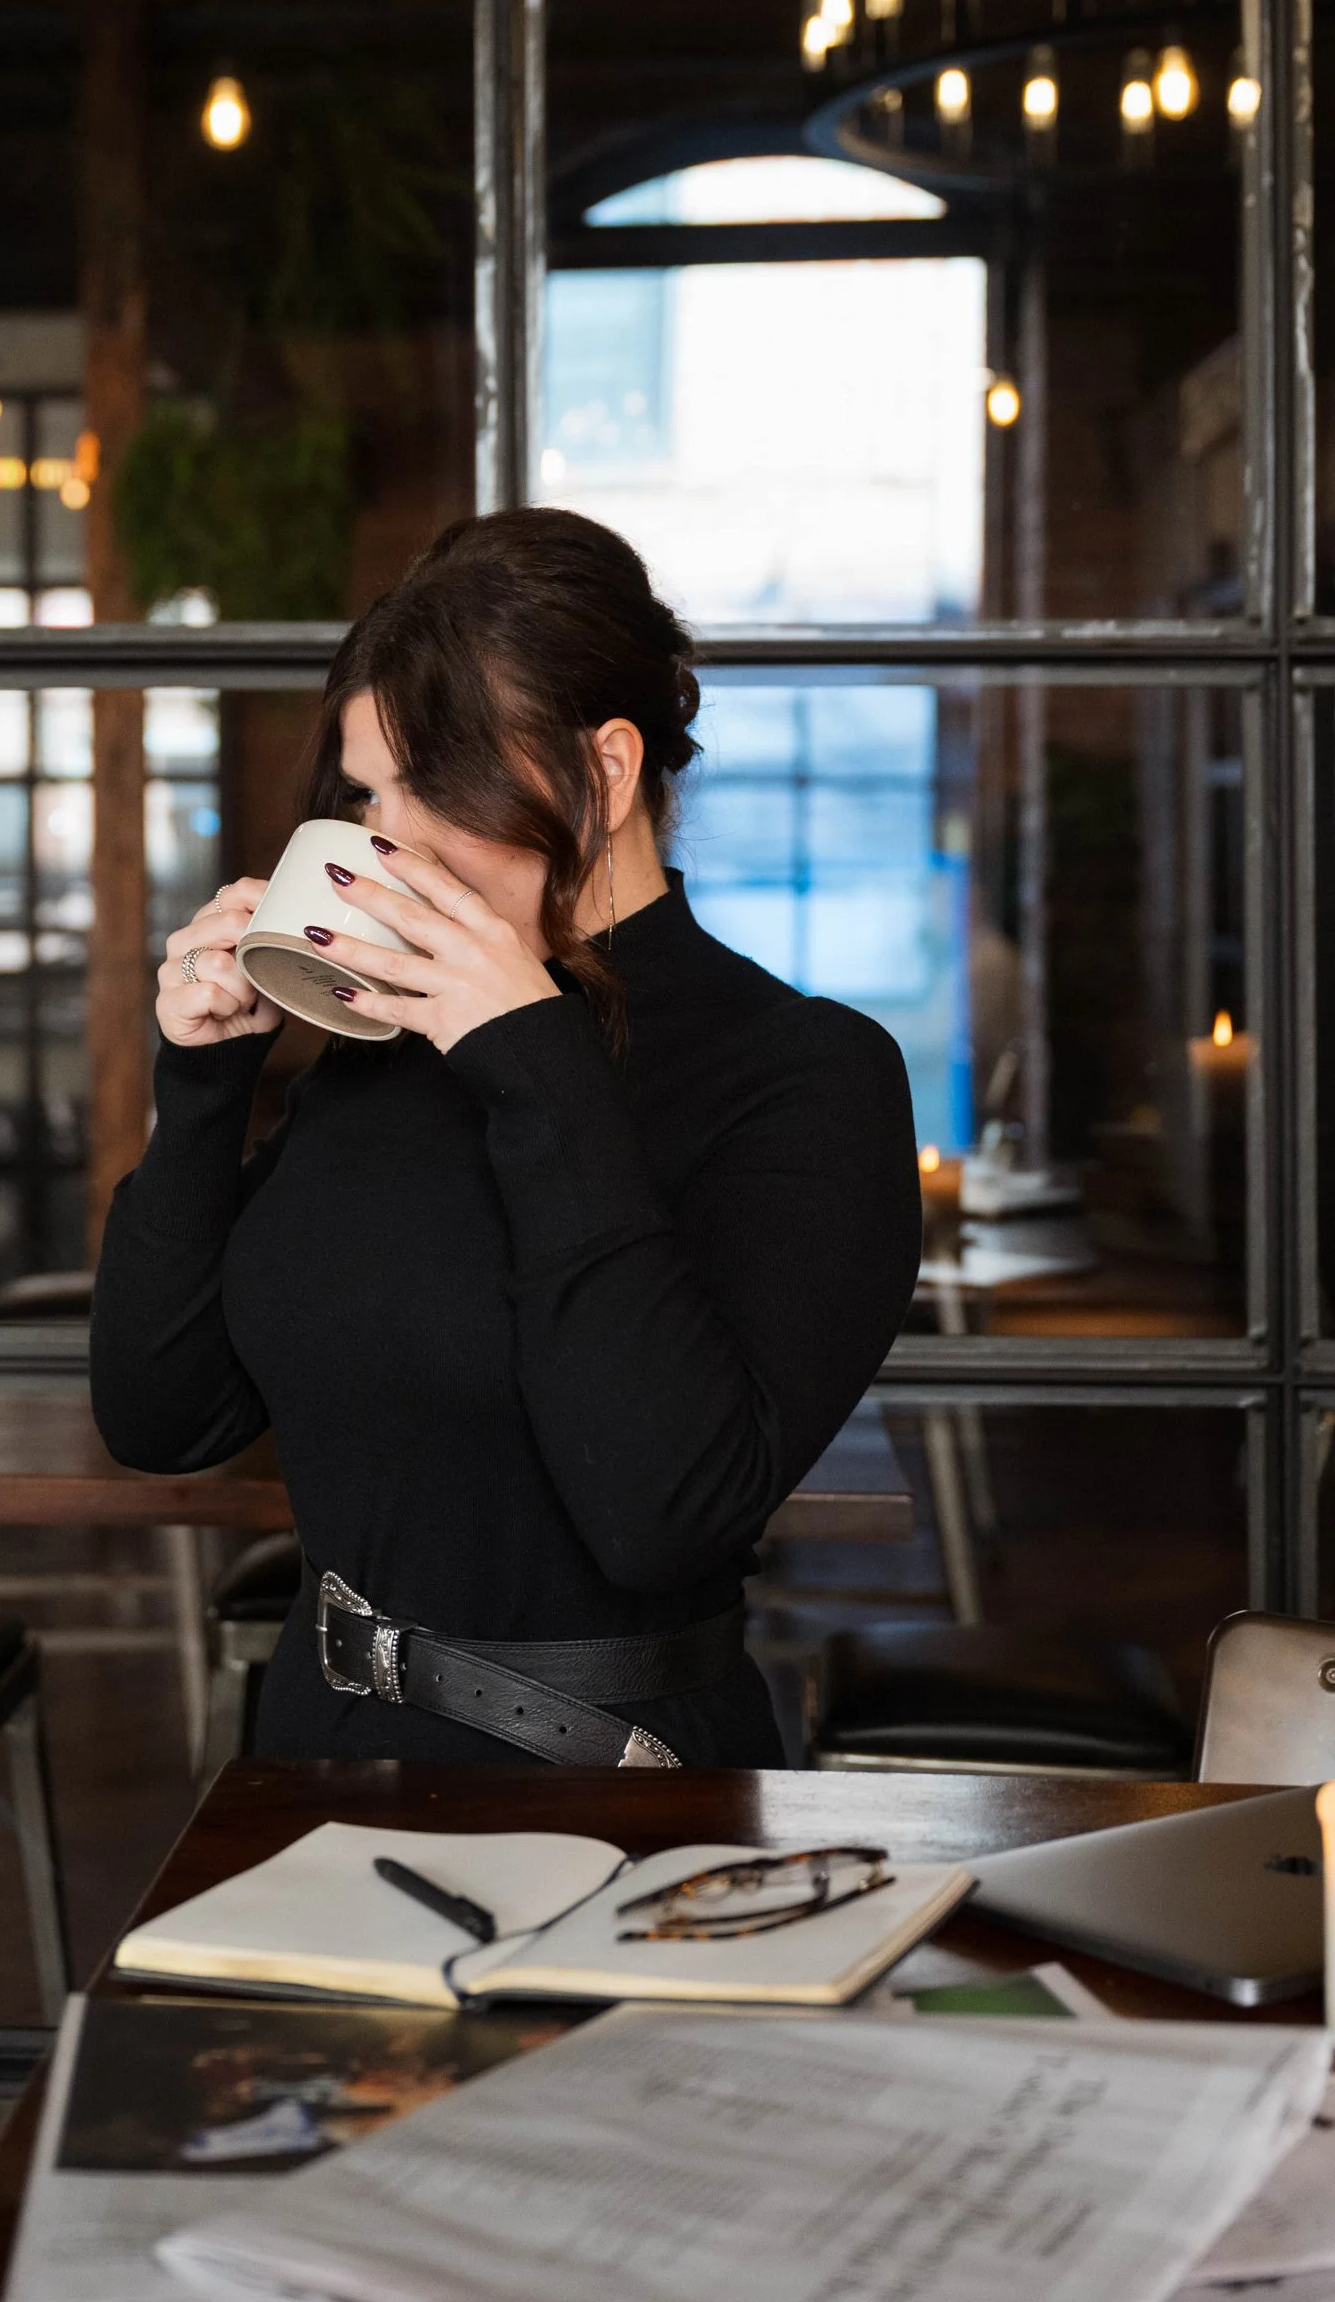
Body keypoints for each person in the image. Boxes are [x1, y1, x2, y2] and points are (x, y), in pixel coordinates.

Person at [90, 508, 921, 1766]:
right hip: (317, 1759)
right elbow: (160, 1415)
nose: (387, 838)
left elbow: (661, 1513)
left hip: (620, 1785)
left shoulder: (806, 1075)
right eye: (372, 790)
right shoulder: (378, 1058)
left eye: (437, 783)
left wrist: (534, 1058)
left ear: (604, 773)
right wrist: (205, 1085)